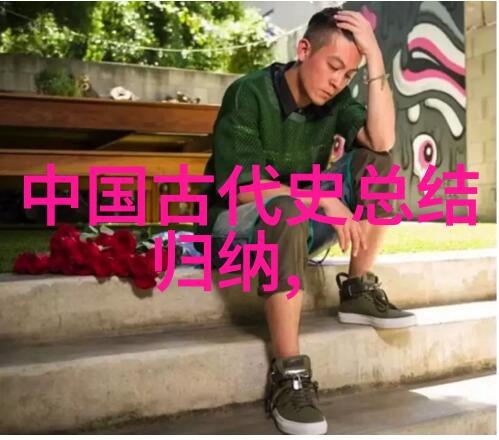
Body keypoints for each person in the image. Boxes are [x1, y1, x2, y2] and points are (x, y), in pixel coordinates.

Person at [195, 7, 416, 435]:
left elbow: (382, 139)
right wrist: (322, 199)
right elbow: (243, 188)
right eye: (333, 66)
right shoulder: (248, 93)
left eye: (348, 74)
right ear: (303, 50)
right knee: (287, 208)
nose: (338, 81)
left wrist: (375, 58)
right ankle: (289, 375)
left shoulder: (336, 101)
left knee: (378, 163)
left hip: (300, 216)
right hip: (235, 227)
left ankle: (357, 288)